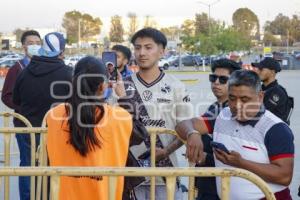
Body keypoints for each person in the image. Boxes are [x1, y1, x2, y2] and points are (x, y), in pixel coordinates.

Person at [176, 70, 294, 200]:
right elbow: (183, 125)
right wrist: (192, 133)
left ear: (260, 97)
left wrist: (241, 163)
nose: (237, 105)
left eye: (244, 99)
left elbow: (284, 176)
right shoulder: (222, 114)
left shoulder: (275, 128)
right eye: (232, 98)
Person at [118, 28, 192, 200]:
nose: (142, 52)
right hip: (131, 176)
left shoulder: (176, 86)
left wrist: (166, 151)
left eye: (148, 47)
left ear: (162, 51)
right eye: (137, 48)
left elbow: (186, 127)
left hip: (166, 176)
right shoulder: (122, 86)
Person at [46, 56, 132, 200]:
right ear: (103, 86)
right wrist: (122, 96)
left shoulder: (53, 114)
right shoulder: (121, 117)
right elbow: (140, 133)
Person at [12, 32, 72, 200]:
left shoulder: (24, 72)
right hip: (58, 133)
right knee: (56, 173)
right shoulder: (67, 73)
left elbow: (16, 99)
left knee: (29, 170)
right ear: (61, 51)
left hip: (28, 132)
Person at [1, 30, 41, 200]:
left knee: (43, 164)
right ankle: (26, 197)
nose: (34, 46)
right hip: (24, 124)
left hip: (44, 124)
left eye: (37, 42)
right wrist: (23, 108)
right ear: (23, 46)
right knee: (27, 164)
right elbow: (6, 95)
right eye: (30, 43)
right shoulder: (17, 68)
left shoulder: (44, 66)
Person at [195, 58, 241, 200]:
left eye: (222, 79)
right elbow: (194, 127)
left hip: (224, 186)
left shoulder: (235, 111)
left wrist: (205, 158)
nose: (216, 82)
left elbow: (239, 154)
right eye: (213, 78)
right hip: (207, 182)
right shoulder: (215, 107)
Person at [252, 57, 293, 124]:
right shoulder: (260, 88)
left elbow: (258, 113)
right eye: (258, 69)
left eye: (261, 69)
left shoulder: (277, 92)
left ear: (272, 72)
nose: (258, 71)